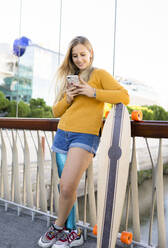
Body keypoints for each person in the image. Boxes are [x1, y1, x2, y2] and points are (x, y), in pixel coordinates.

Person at [38, 36, 129, 248]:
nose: (79, 59)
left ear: (91, 54)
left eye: (83, 55)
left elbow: (124, 97)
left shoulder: (99, 74)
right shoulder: (71, 78)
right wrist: (68, 98)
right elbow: (56, 111)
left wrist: (93, 92)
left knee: (67, 185)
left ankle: (60, 228)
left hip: (85, 136)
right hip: (63, 133)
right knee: (65, 188)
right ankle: (71, 232)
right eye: (75, 56)